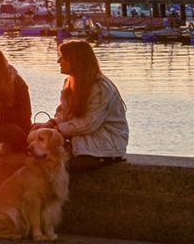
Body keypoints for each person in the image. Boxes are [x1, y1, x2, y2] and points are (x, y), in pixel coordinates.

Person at [39, 40, 129, 172]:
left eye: (63, 58)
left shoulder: (100, 87)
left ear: (76, 61)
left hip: (104, 143)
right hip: (83, 137)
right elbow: (64, 116)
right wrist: (51, 123)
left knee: (59, 164)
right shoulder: (70, 83)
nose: (59, 61)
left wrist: (57, 129)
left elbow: (88, 124)